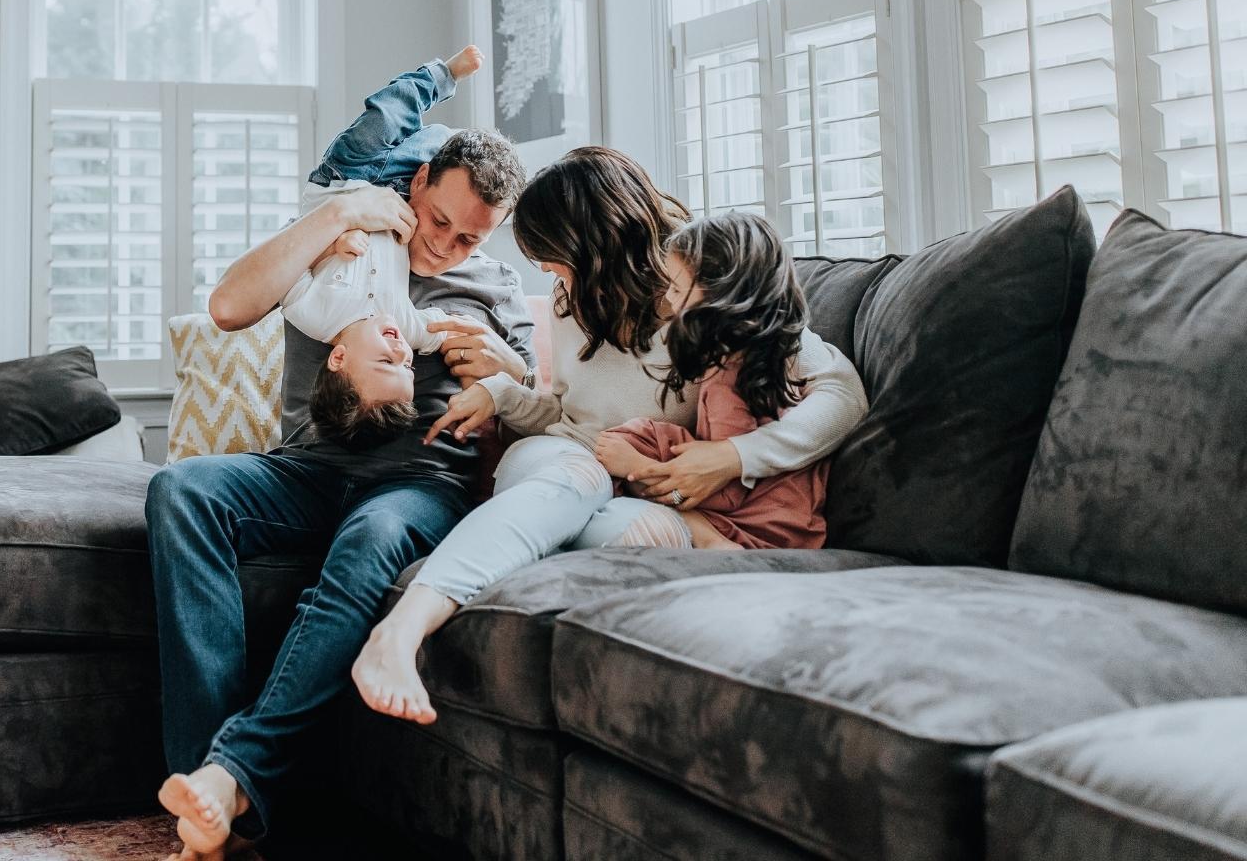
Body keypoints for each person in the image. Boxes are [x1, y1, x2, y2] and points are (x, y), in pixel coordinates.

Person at [351, 147, 866, 726]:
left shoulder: (701, 287)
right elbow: (565, 416)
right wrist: (502, 393)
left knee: (622, 531)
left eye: (553, 259)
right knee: (576, 480)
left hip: (641, 493)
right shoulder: (572, 300)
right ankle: (401, 629)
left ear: (593, 244)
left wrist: (732, 457)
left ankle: (490, 580)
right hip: (567, 459)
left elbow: (843, 396)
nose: (548, 276)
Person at [147, 96, 536, 859]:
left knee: (373, 535)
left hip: (420, 483)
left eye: (471, 238)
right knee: (181, 490)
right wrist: (337, 215)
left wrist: (507, 373)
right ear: (418, 183)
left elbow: (532, 415)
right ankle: (205, 782)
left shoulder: (495, 291)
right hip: (307, 469)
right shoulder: (344, 237)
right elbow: (228, 307)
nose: (448, 247)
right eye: (439, 222)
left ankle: (229, 777)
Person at [590, 210, 828, 551]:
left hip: (765, 529)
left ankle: (712, 543)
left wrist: (637, 467)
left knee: (636, 449)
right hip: (792, 519)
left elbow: (727, 494)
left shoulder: (727, 380)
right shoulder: (764, 357)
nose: (669, 302)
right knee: (649, 437)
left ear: (719, 295)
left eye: (675, 288)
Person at [287, 46, 487, 446]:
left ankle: (442, 75)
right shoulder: (406, 325)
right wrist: (500, 371)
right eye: (408, 366)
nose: (400, 350)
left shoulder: (312, 314)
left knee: (387, 114)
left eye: (385, 360)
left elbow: (288, 256)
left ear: (339, 359)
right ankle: (447, 138)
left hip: (344, 177)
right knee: (450, 148)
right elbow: (453, 333)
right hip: (397, 193)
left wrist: (331, 246)